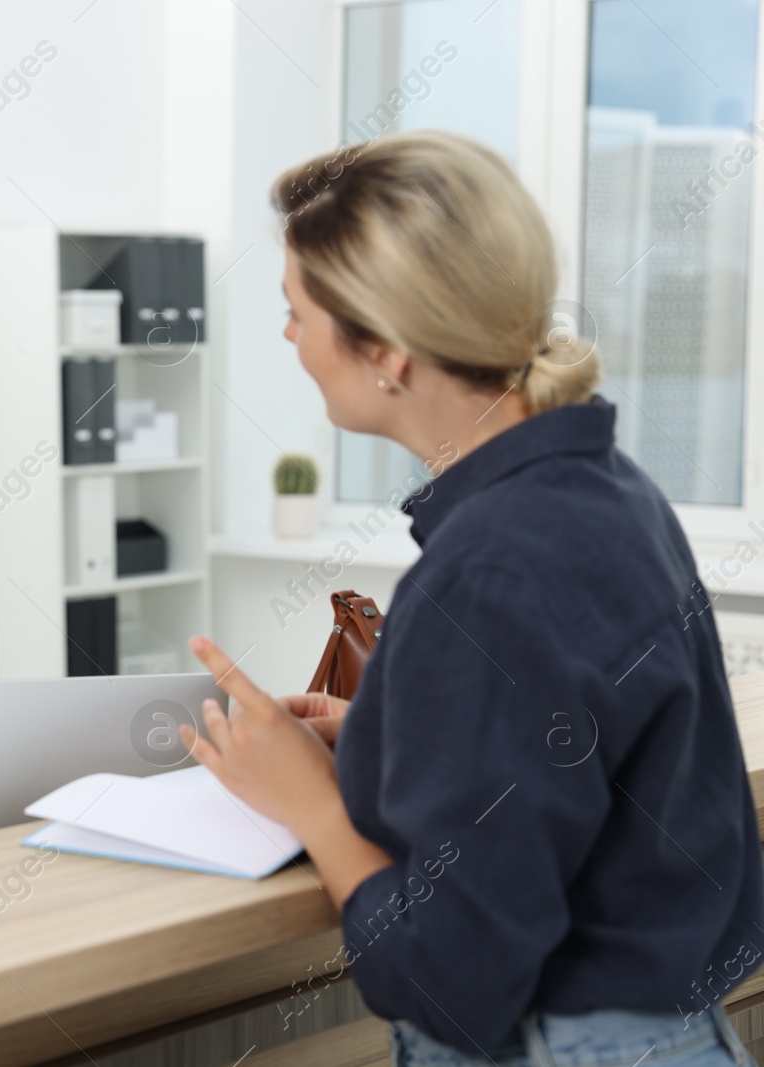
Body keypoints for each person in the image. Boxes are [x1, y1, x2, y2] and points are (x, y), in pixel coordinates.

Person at [181, 130, 764, 1065]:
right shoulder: (606, 487)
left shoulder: (486, 574)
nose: (288, 338)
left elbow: (449, 978)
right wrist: (388, 734)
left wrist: (314, 807)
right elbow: (567, 750)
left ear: (387, 349)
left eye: (295, 311)